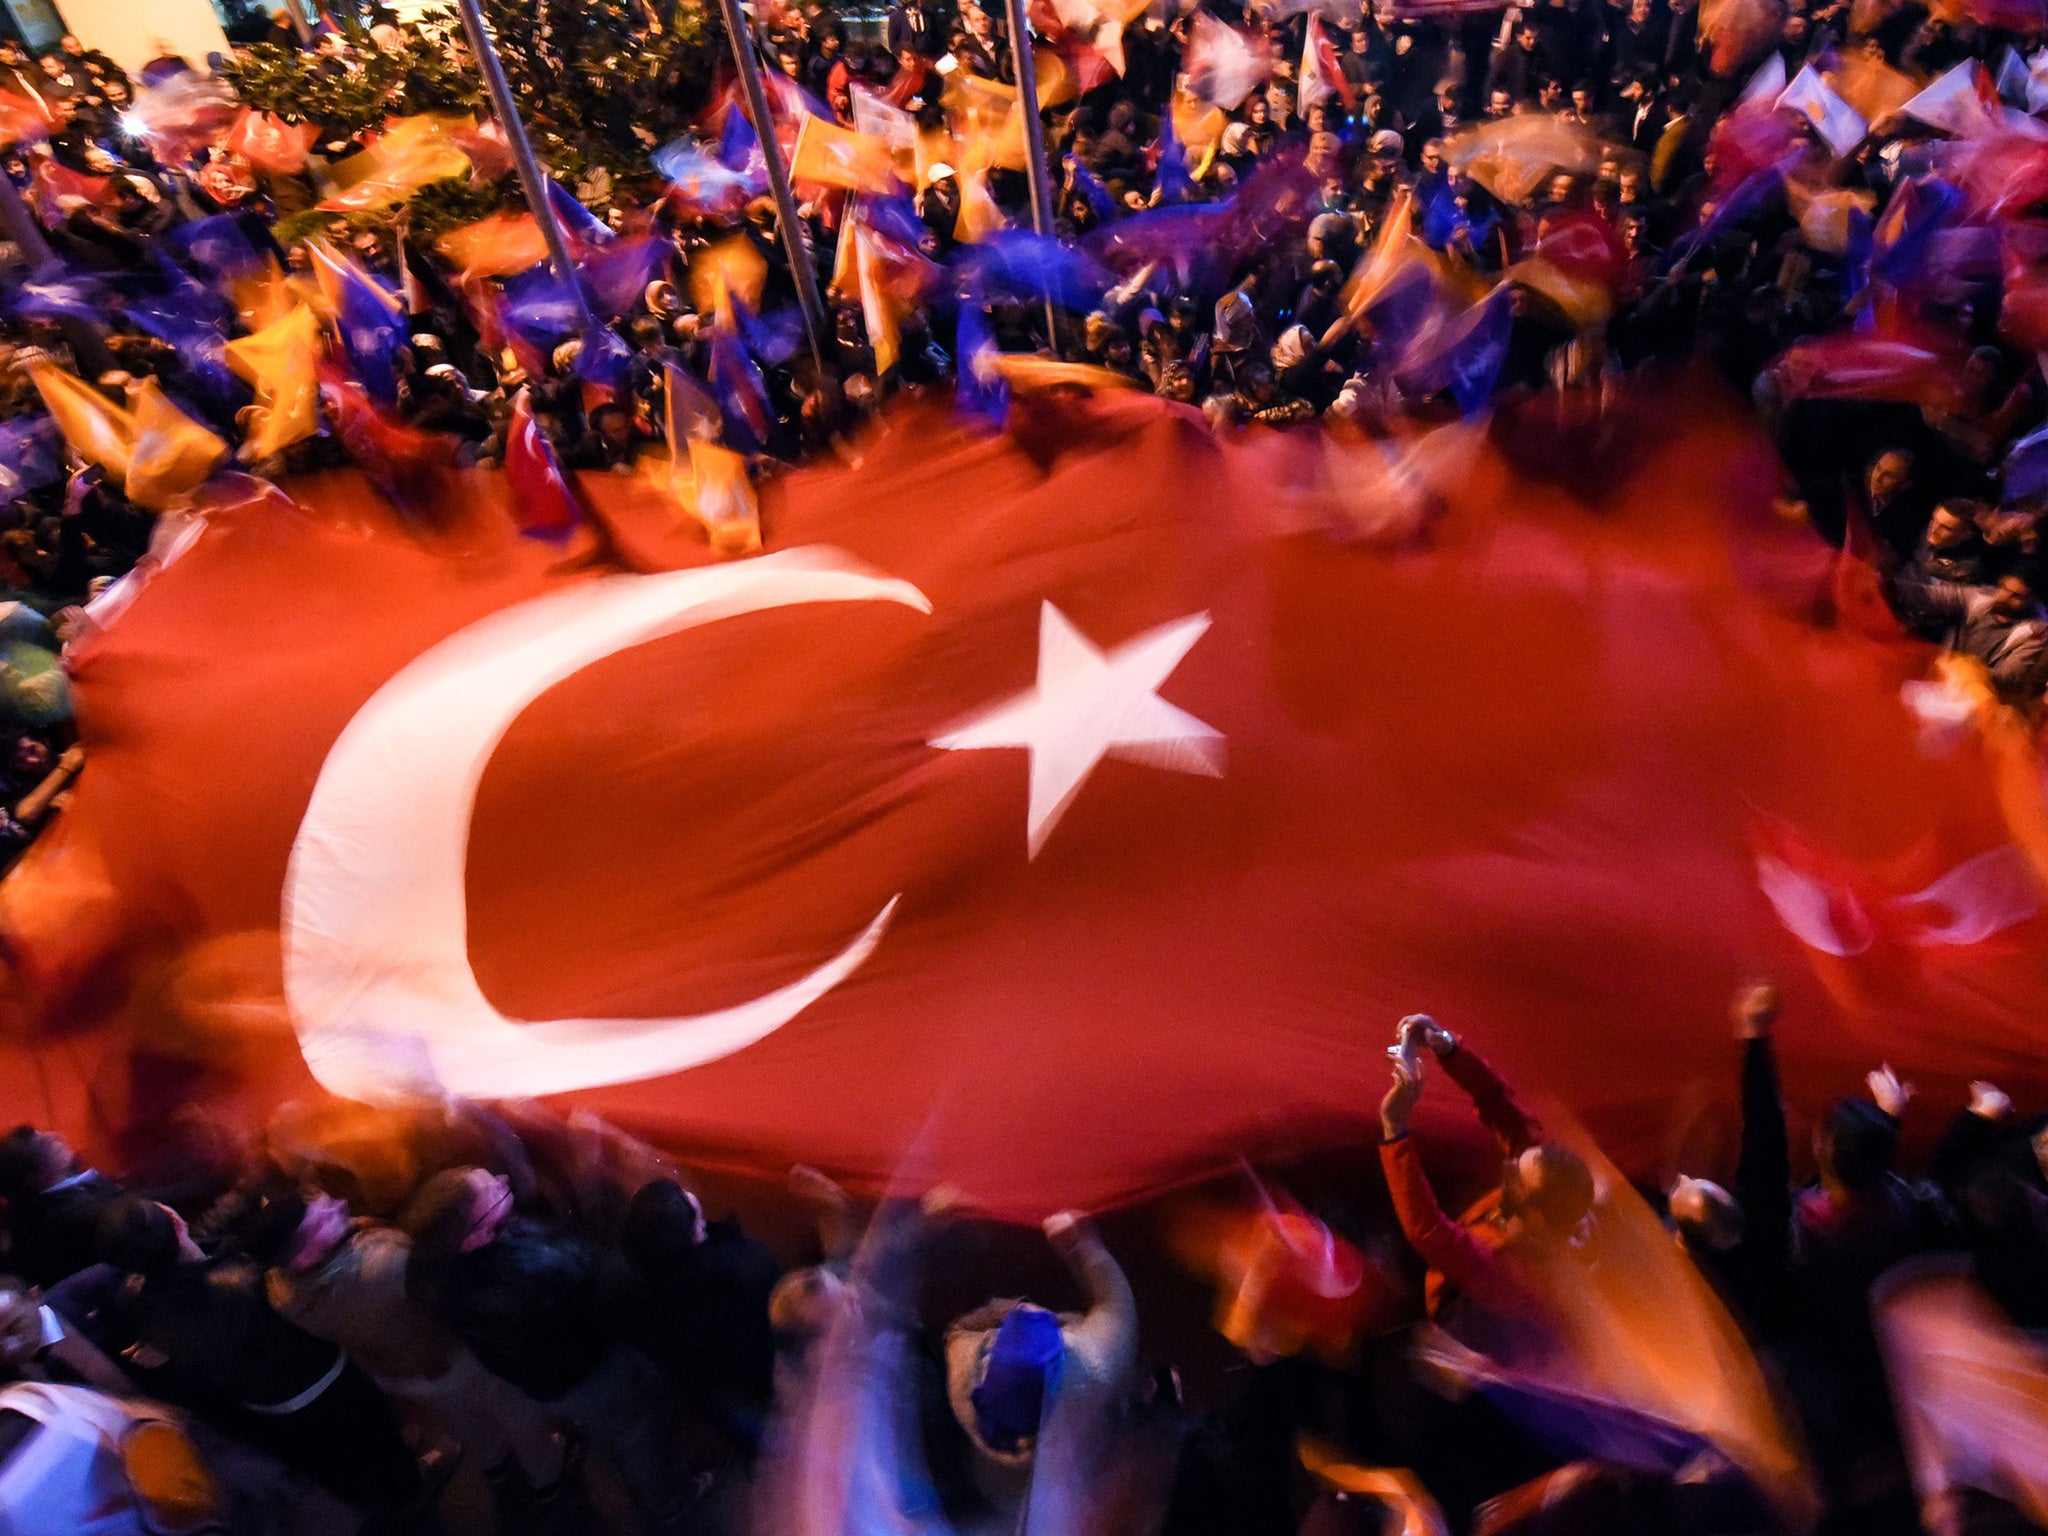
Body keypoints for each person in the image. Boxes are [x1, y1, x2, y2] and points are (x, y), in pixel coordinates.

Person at [93, 1194, 429, 1516]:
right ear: (175, 1220)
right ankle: (413, 1493)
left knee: (330, 1465)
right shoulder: (247, 1282)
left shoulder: (135, 1298)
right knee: (377, 1436)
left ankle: (375, 1501)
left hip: (263, 1407)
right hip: (323, 1383)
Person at [1376, 1015, 1594, 1357]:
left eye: (1516, 1179)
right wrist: (1447, 1046)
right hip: (1472, 1254)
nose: (1509, 1167)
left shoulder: (1519, 1278)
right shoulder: (1542, 1175)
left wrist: (1394, 1128)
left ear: (1536, 1215)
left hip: (1465, 1311)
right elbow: (1496, 1100)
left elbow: (1429, 1233)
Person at [0, 1125, 124, 1289]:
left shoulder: (36, 1202)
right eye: (46, 1144)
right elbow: (136, 1212)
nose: (56, 1136)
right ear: (34, 1178)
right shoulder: (74, 1218)